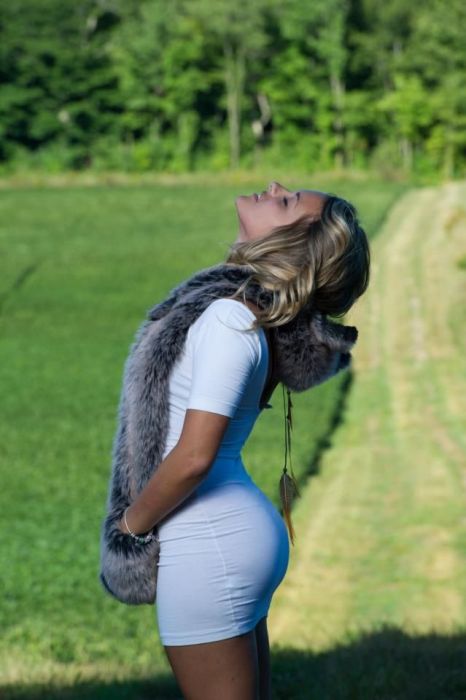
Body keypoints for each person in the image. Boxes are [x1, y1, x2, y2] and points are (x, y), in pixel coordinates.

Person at [116, 180, 370, 699]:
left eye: (285, 202)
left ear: (289, 248)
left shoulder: (228, 320)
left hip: (207, 544)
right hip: (223, 537)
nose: (274, 186)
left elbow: (193, 457)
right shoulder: (240, 315)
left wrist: (128, 531)